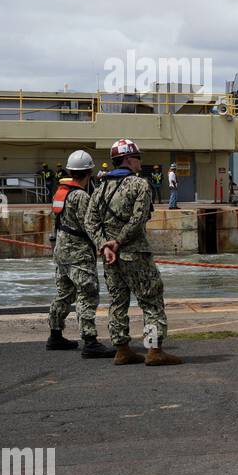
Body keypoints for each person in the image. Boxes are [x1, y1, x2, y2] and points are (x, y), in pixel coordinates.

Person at [84, 138, 181, 366]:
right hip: (135, 253)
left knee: (118, 301)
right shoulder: (140, 185)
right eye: (138, 157)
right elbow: (138, 219)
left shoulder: (100, 188)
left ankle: (122, 349)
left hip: (111, 257)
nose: (140, 162)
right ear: (128, 159)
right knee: (150, 299)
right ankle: (154, 350)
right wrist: (118, 242)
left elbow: (90, 222)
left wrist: (104, 244)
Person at [45, 150, 116, 358]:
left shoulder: (61, 193)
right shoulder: (81, 196)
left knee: (64, 293)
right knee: (87, 292)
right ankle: (90, 341)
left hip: (61, 250)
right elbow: (91, 225)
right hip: (78, 252)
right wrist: (104, 245)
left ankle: (55, 335)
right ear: (89, 172)